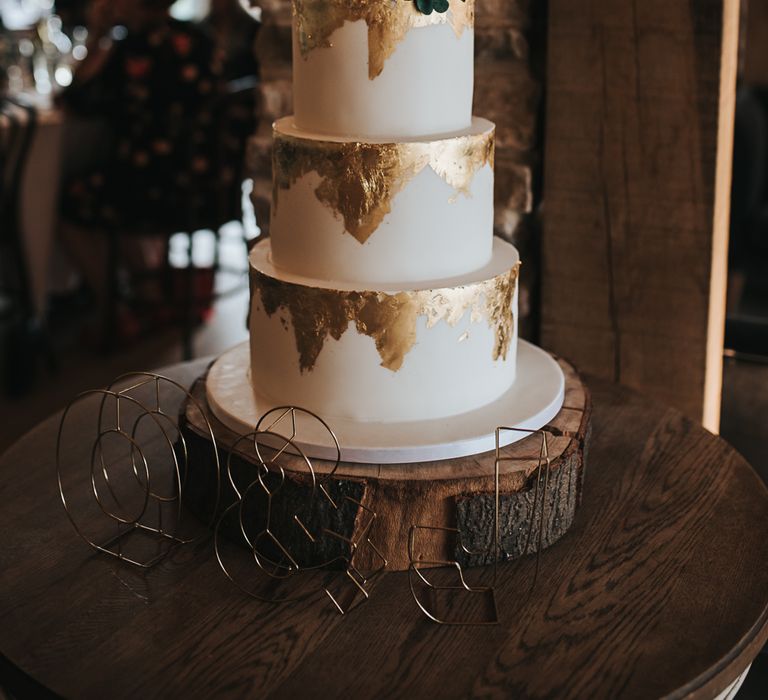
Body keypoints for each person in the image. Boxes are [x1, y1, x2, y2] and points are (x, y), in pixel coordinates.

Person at [57, 0, 221, 339]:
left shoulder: (133, 48)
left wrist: (97, 36)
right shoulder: (202, 40)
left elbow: (74, 101)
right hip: (207, 189)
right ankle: (149, 297)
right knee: (121, 181)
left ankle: (113, 309)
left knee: (70, 199)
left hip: (150, 192)